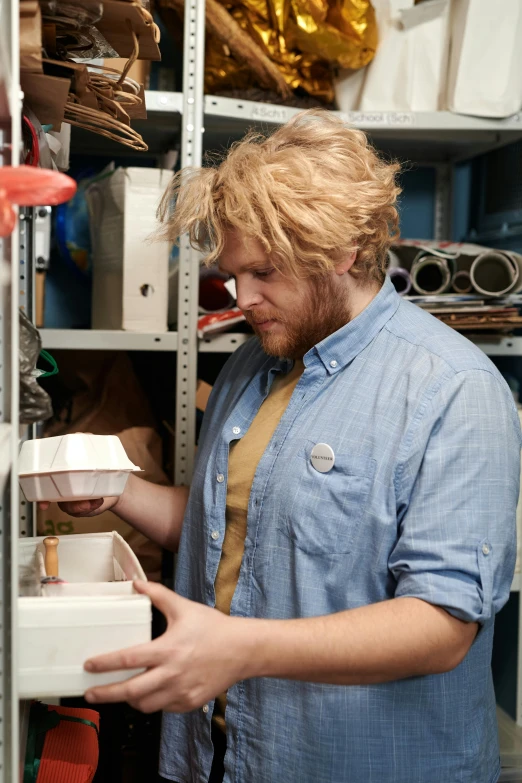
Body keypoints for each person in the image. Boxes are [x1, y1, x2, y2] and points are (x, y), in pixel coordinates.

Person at [42, 110, 521, 783]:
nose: (242, 298)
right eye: (236, 273)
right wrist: (117, 487)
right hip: (223, 757)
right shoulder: (252, 364)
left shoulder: (453, 390)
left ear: (342, 250)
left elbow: (442, 625)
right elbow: (235, 528)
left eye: (263, 272)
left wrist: (240, 648)